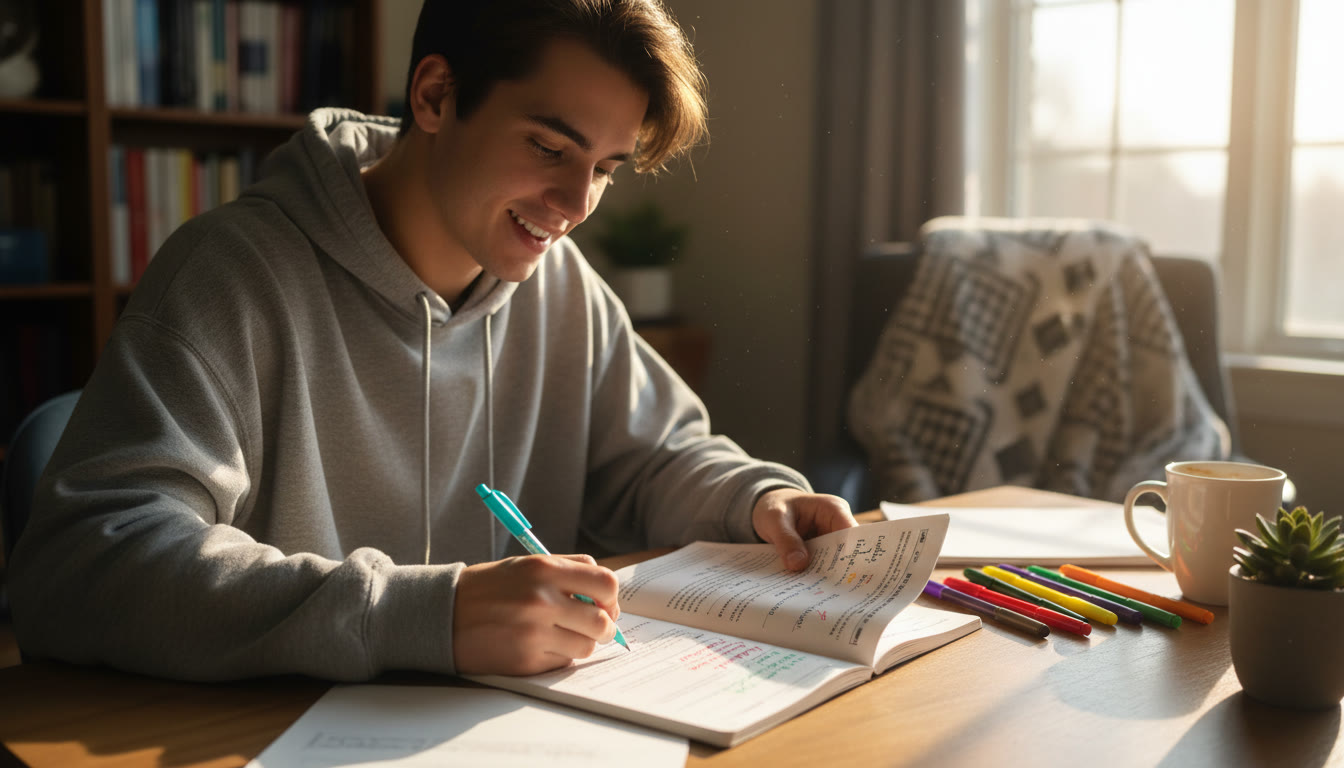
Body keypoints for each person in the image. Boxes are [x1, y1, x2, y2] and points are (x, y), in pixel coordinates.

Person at [9, 0, 854, 681]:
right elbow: (83, 564)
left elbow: (656, 455)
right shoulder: (231, 273)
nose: (573, 204)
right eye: (548, 146)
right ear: (435, 96)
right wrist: (426, 616)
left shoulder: (557, 283)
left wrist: (754, 498)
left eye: (602, 168)